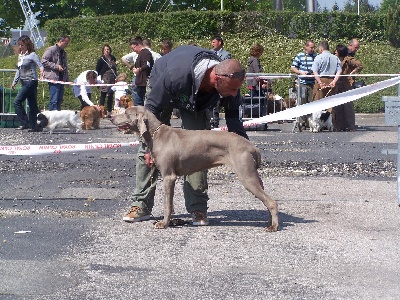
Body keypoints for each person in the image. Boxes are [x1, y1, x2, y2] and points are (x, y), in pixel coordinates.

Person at [122, 45, 248, 226]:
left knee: (199, 149)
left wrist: (247, 156)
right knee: (148, 151)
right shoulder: (176, 74)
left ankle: (197, 207)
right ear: (217, 79)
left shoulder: (230, 79)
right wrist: (149, 146)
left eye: (237, 90)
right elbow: (151, 109)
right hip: (162, 89)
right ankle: (141, 205)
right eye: (233, 90)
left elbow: (235, 123)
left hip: (196, 100)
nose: (235, 94)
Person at [11, 35, 44, 132]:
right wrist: (14, 82)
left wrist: (42, 72)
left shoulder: (32, 54)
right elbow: (19, 70)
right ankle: (37, 126)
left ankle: (25, 123)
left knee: (17, 101)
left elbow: (40, 66)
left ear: (27, 45)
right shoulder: (20, 56)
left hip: (31, 81)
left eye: (22, 45)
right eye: (19, 45)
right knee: (33, 105)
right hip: (24, 82)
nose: (20, 47)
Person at [333, 44, 363, 132]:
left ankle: (350, 126)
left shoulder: (348, 59)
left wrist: (352, 73)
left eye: (336, 50)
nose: (335, 52)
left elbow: (360, 65)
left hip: (346, 85)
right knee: (337, 105)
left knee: (348, 106)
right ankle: (339, 125)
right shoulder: (334, 59)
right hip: (336, 84)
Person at [290, 40, 317, 127]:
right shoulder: (300, 55)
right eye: (311, 47)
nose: (313, 49)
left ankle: (310, 122)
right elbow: (293, 67)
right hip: (302, 83)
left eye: (313, 47)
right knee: (302, 101)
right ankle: (301, 122)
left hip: (312, 83)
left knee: (311, 102)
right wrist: (300, 72)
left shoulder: (316, 56)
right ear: (306, 47)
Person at [42, 35, 70, 111]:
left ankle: (58, 118)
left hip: (61, 79)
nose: (67, 45)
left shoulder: (64, 53)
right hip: (53, 78)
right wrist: (56, 67)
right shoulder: (51, 50)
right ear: (61, 41)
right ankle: (52, 119)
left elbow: (65, 67)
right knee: (54, 100)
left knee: (59, 100)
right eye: (66, 43)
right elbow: (44, 61)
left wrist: (67, 80)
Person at [209, 35, 231, 128]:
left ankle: (216, 121)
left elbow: (225, 66)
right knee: (210, 101)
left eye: (214, 42)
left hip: (221, 81)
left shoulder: (226, 54)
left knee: (218, 102)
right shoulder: (209, 53)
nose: (212, 44)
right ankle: (210, 121)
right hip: (211, 81)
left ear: (220, 42)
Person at [128, 37, 154, 106]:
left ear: (138, 45)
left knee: (144, 104)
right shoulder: (140, 54)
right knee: (138, 104)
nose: (133, 50)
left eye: (133, 48)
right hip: (140, 83)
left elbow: (147, 65)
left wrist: (139, 69)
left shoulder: (146, 53)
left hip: (144, 83)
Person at [96, 44, 117, 118]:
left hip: (112, 78)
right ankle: (101, 112)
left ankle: (109, 112)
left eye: (108, 49)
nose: (107, 51)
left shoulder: (113, 58)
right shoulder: (101, 59)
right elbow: (97, 70)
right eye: (105, 49)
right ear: (103, 51)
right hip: (104, 79)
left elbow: (115, 68)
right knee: (103, 95)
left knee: (110, 95)